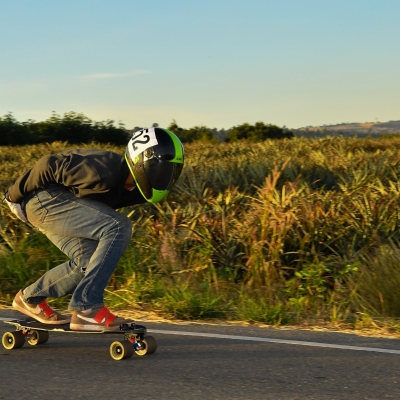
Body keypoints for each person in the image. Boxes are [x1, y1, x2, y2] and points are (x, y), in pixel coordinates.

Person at [4, 127, 184, 331]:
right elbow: (48, 165)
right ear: (143, 161)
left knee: (87, 260)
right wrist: (14, 196)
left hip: (61, 207)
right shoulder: (102, 169)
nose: (167, 175)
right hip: (42, 199)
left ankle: (29, 298)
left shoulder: (138, 191)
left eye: (172, 170)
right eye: (163, 168)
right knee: (118, 226)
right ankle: (87, 308)